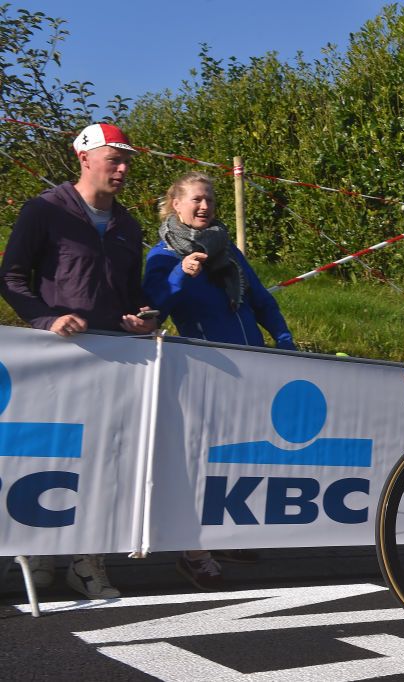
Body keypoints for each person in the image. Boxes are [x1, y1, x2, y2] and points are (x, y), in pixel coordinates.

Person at [0, 122, 159, 599]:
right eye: (115, 160)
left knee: (103, 458)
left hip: (113, 359)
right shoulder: (45, 210)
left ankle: (88, 561)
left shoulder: (129, 225)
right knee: (48, 455)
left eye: (127, 160)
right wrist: (46, 319)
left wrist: (142, 318)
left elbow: (134, 294)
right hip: (54, 358)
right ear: (84, 158)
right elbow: (10, 278)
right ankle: (37, 555)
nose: (124, 169)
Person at [143, 171, 295, 590]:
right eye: (196, 199)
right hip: (204, 374)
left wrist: (283, 339)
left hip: (252, 368)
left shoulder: (226, 251)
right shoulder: (162, 256)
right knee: (199, 463)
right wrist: (182, 274)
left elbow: (261, 300)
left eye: (209, 199)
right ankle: (193, 553)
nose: (205, 206)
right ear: (175, 204)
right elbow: (152, 306)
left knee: (237, 462)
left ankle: (227, 536)